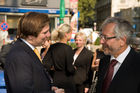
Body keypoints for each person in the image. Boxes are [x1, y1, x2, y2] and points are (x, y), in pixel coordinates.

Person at [4, 12, 64, 93]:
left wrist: (49, 87)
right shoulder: (19, 56)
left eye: (48, 31)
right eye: (45, 32)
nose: (49, 34)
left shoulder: (26, 50)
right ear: (30, 36)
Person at [95, 17, 140, 93]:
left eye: (105, 37)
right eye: (101, 36)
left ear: (122, 40)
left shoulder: (137, 64)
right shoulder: (104, 61)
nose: (101, 41)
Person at [43, 24, 76, 93]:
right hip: (67, 83)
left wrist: (53, 70)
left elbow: (45, 65)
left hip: (56, 81)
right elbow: (70, 69)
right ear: (66, 34)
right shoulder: (68, 48)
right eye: (71, 33)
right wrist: (74, 69)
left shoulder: (52, 47)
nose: (71, 35)